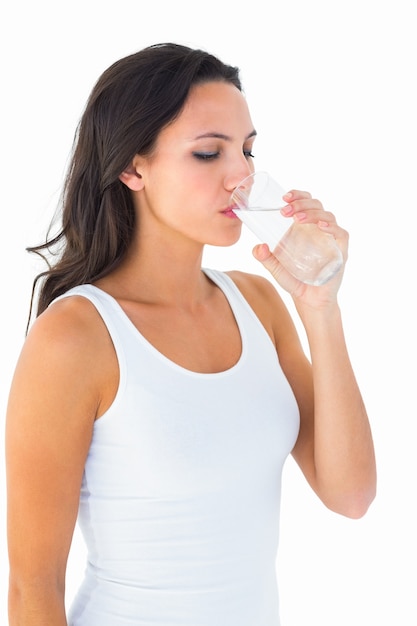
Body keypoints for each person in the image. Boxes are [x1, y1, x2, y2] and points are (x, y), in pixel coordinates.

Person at [5, 42, 376, 626]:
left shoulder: (259, 305)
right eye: (209, 153)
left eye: (249, 151)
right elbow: (32, 589)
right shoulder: (75, 338)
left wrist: (322, 308)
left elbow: (350, 496)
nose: (243, 177)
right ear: (133, 167)